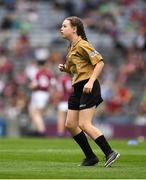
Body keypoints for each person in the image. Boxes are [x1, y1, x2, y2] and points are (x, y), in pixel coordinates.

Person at [58, 16, 120, 167]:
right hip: (78, 87)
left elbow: (99, 62)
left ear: (74, 29)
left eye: (65, 26)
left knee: (84, 124)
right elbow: (78, 69)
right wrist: (66, 69)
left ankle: (110, 152)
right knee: (71, 124)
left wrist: (91, 81)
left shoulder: (83, 45)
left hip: (88, 85)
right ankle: (91, 157)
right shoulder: (72, 47)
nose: (61, 28)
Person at [28, 48, 56, 136]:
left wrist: (30, 86)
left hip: (39, 93)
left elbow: (34, 85)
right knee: (35, 113)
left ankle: (41, 131)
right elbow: (53, 84)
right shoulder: (49, 73)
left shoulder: (38, 73)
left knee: (36, 113)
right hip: (45, 94)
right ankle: (38, 130)